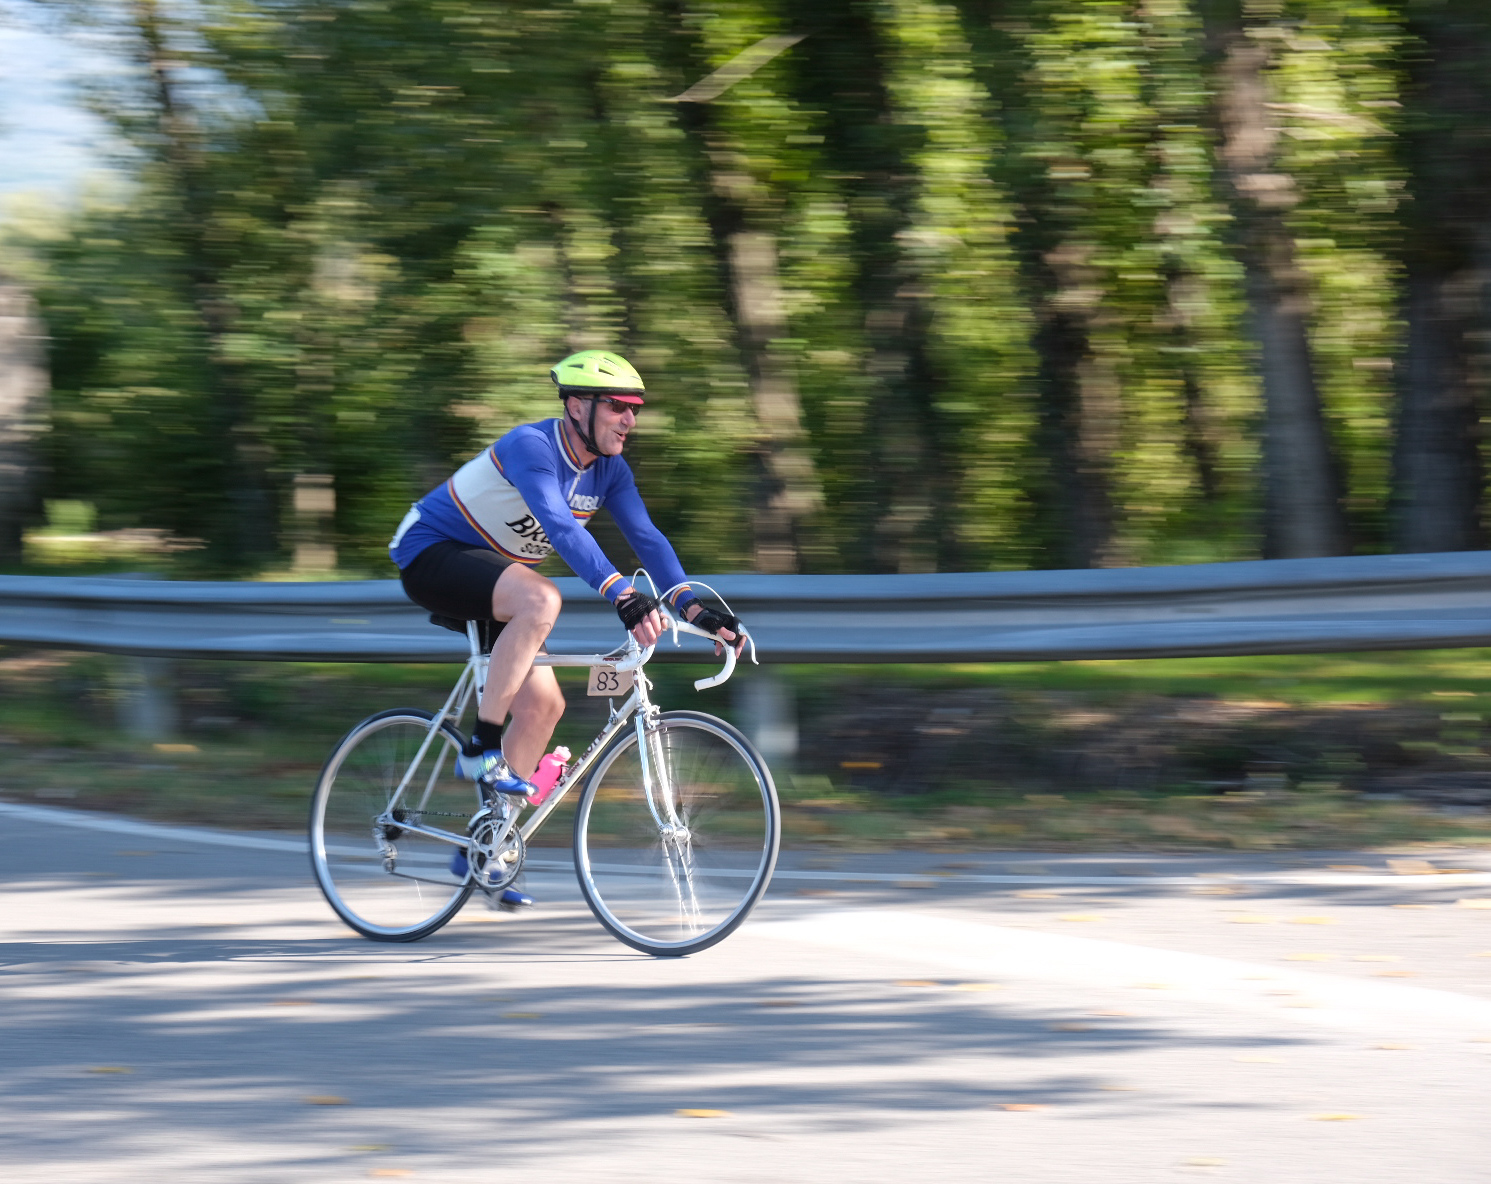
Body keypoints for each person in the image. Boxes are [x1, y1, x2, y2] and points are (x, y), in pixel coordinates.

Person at [388, 350, 744, 900]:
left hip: (495, 580)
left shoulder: (610, 471)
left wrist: (694, 609)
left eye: (635, 409)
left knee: (544, 707)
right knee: (542, 598)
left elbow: (648, 539)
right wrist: (623, 595)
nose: (630, 419)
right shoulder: (532, 447)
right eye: (618, 406)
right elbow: (561, 527)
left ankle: (485, 845)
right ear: (578, 406)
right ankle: (481, 747)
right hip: (431, 553)